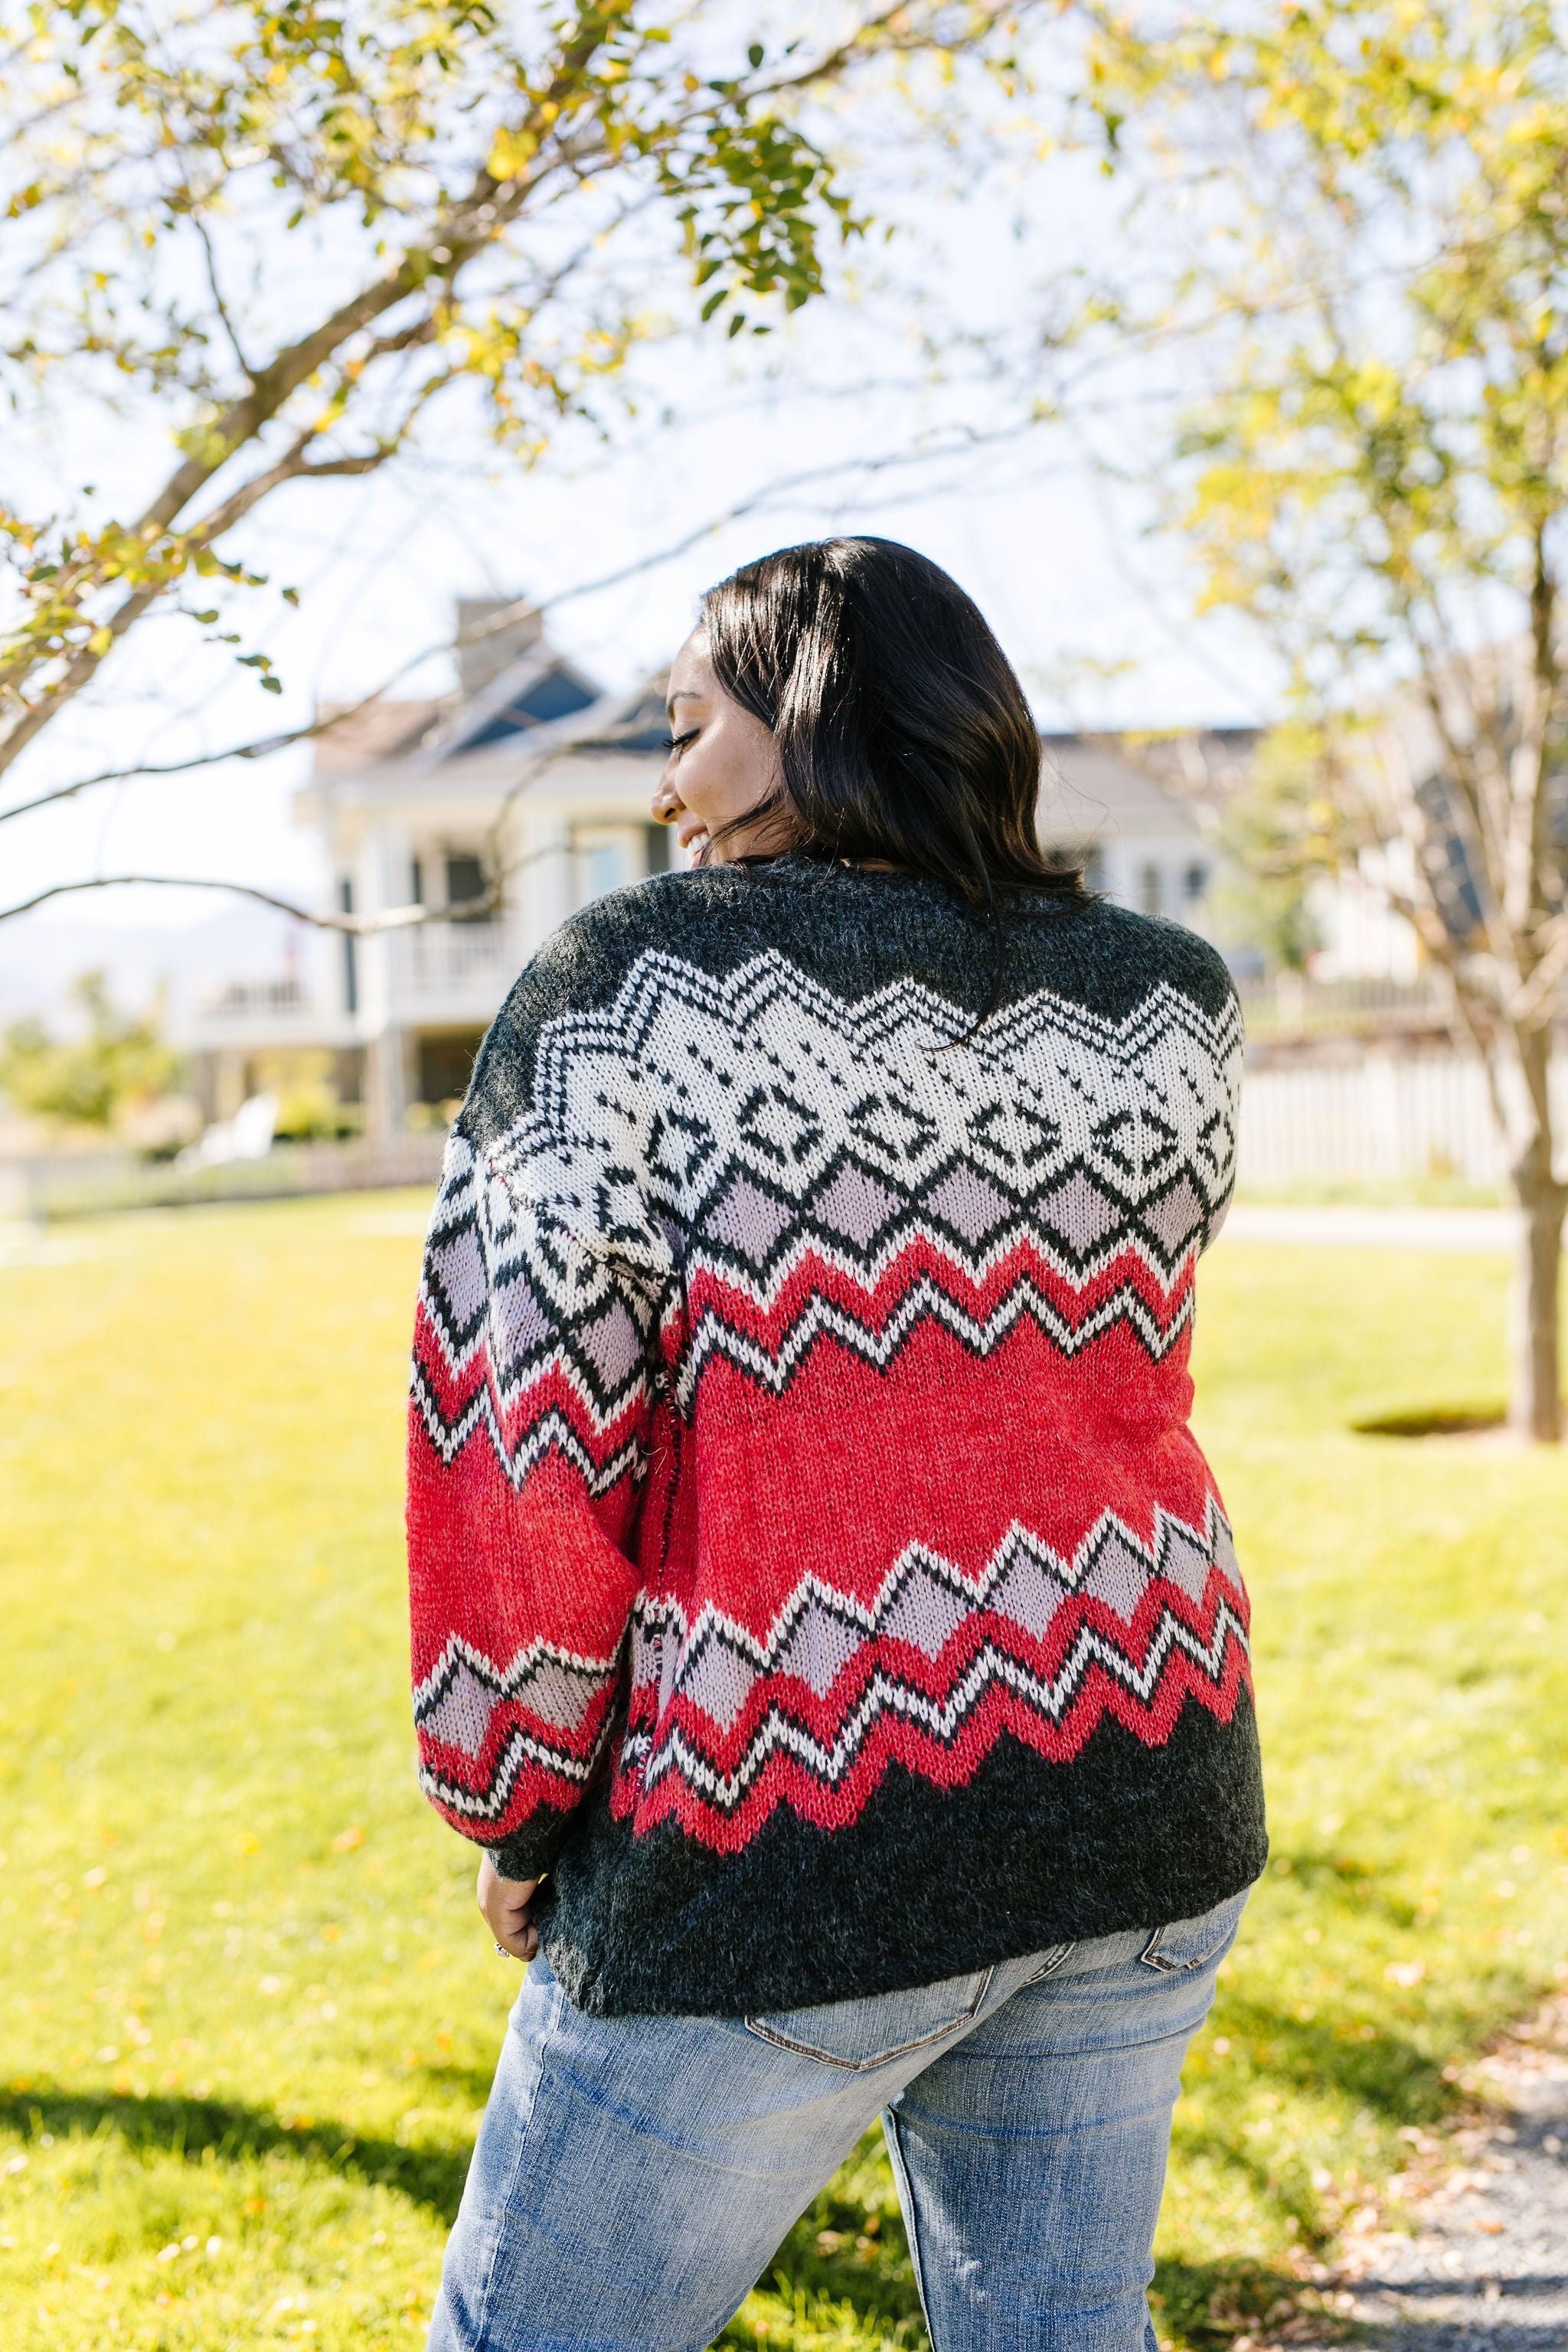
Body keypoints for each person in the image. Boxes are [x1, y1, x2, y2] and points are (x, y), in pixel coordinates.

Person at [406, 537, 1267, 2352]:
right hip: (1140, 1761)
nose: (662, 781)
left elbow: (523, 1448)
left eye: (686, 722)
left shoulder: (631, 987)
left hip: (788, 1831)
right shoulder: (1171, 998)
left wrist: (517, 1798)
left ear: (806, 718)